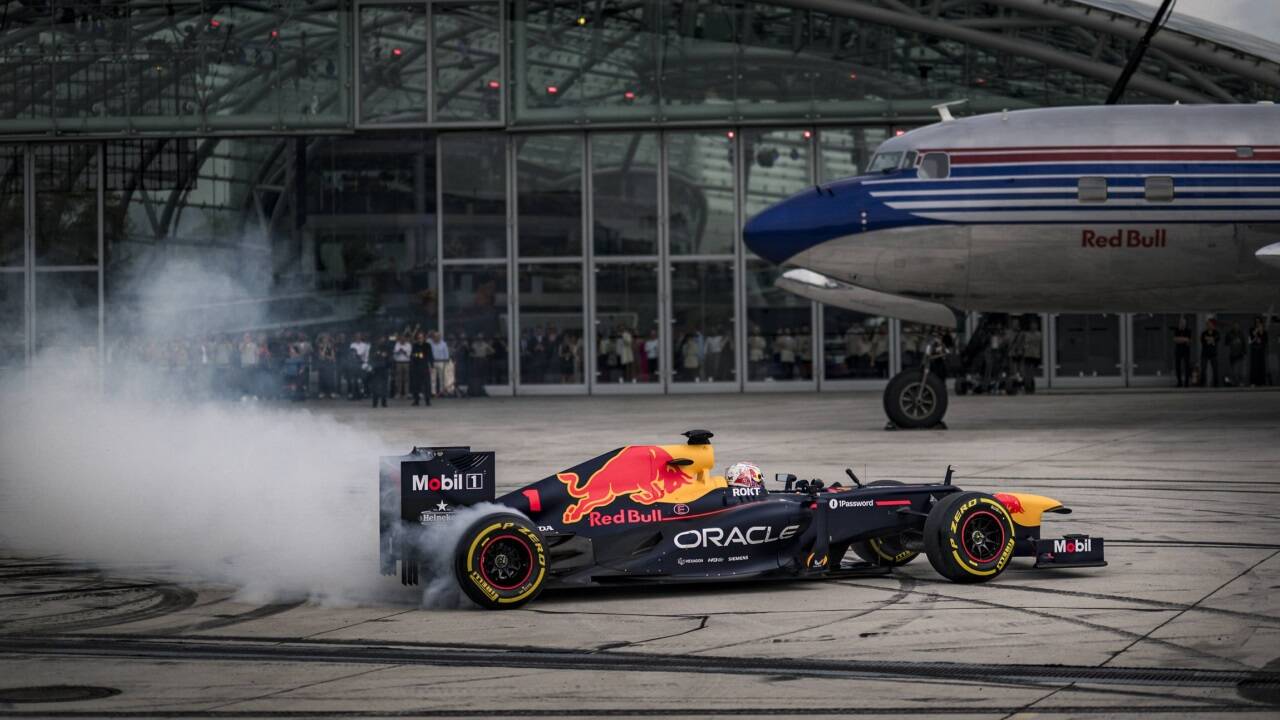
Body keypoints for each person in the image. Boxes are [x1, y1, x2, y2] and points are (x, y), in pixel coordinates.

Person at [410, 331, 433, 406]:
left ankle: (427, 400)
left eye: (422, 337)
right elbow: (413, 355)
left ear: (424, 338)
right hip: (416, 367)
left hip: (425, 367)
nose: (420, 339)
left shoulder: (427, 345)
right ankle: (416, 400)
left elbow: (429, 355)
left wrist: (431, 366)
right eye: (419, 337)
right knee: (416, 384)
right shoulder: (415, 345)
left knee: (427, 384)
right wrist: (420, 355)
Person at [368, 338, 391, 408]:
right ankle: (375, 403)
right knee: (375, 386)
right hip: (376, 369)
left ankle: (384, 402)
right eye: (380, 339)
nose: (381, 341)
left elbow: (389, 357)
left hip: (384, 369)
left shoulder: (386, 348)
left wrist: (388, 365)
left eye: (382, 339)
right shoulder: (373, 348)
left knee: (384, 386)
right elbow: (370, 358)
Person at [1199, 318, 1220, 388]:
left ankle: (1216, 384)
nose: (1208, 325)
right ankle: (1202, 384)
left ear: (1213, 325)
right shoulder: (1203, 333)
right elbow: (1204, 342)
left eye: (1210, 324)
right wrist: (1212, 340)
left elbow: (1217, 339)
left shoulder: (1216, 332)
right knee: (1203, 369)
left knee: (1215, 369)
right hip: (1204, 353)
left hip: (1213, 353)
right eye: (1207, 324)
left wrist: (1209, 339)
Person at [1249, 316, 1268, 387]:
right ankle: (1253, 382)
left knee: (1261, 366)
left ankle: (1262, 382)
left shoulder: (1264, 332)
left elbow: (1265, 341)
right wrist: (1256, 332)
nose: (1257, 323)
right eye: (1256, 322)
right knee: (1254, 366)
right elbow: (1251, 340)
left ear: (1261, 323)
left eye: (1259, 322)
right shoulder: (1251, 329)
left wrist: (1261, 332)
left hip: (1261, 350)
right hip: (1254, 349)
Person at [1173, 316, 1192, 388]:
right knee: (1178, 367)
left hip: (1186, 351)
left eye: (1183, 323)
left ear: (1185, 323)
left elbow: (1189, 340)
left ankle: (1186, 383)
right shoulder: (1176, 330)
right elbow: (1175, 339)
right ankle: (1179, 382)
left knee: (1187, 367)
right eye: (1181, 323)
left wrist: (1180, 339)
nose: (1182, 324)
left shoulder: (1188, 330)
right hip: (1178, 351)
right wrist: (1184, 339)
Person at [429, 330, 449, 397]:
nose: (436, 337)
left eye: (437, 336)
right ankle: (433, 392)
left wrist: (446, 362)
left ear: (440, 337)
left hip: (441, 362)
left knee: (441, 378)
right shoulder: (430, 343)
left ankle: (441, 392)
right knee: (433, 378)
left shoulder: (444, 344)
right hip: (433, 362)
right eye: (435, 336)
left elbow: (446, 354)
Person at [392, 333, 412, 399]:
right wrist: (398, 351)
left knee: (406, 379)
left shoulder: (408, 345)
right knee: (398, 379)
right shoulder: (397, 344)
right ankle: (398, 393)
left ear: (405, 339)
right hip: (398, 363)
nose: (402, 340)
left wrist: (404, 351)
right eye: (401, 339)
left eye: (403, 339)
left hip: (406, 362)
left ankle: (406, 393)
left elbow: (409, 354)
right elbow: (394, 354)